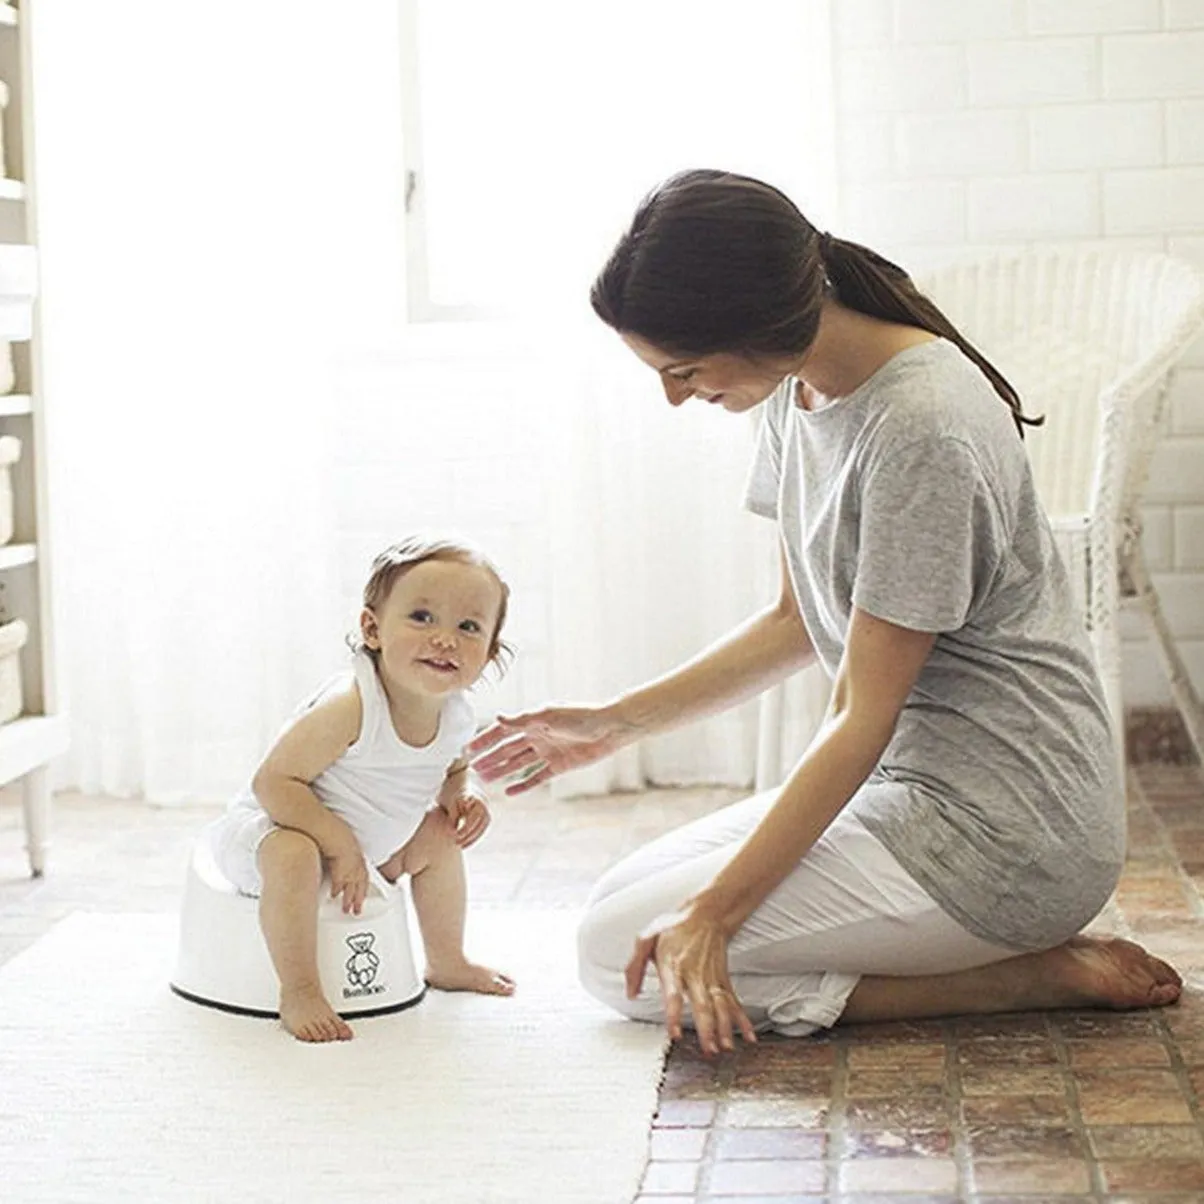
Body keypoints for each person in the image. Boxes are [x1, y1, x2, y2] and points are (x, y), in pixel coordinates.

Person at [468, 169, 1182, 1057]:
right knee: (623, 905)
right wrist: (611, 726)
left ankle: (1021, 976)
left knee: (621, 954)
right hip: (911, 795)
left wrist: (718, 916)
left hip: (1010, 837)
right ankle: (980, 962)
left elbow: (861, 710)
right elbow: (794, 621)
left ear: (755, 324)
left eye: (683, 370)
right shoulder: (798, 388)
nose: (675, 396)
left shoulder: (922, 426)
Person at [206, 535, 516, 1043]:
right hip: (277, 832)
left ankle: (447, 960)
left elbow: (453, 769)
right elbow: (274, 782)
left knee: (439, 835)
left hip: (366, 850)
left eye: (468, 627)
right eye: (422, 617)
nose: (445, 639)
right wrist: (339, 843)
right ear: (372, 629)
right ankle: (301, 988)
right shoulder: (351, 706)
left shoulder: (456, 714)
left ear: (488, 653)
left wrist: (466, 795)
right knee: (293, 853)